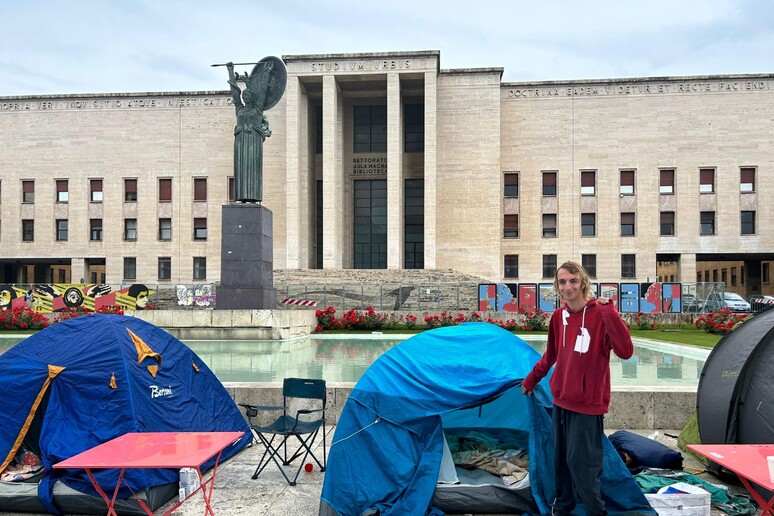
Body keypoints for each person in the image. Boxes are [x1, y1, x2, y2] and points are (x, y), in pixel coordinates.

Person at [521, 261, 633, 516]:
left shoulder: (600, 314)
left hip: (587, 404)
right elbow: (550, 356)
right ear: (556, 286)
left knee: (583, 464)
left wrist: (610, 313)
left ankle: (596, 511)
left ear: (583, 281)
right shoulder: (558, 317)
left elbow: (626, 352)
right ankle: (563, 507)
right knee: (560, 462)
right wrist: (531, 380)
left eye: (573, 280)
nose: (568, 286)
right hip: (560, 400)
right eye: (562, 282)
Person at [227, 61, 272, 203]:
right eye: (244, 94)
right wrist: (230, 71)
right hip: (241, 141)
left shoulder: (258, 109)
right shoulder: (239, 109)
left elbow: (264, 90)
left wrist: (267, 73)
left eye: (248, 95)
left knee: (253, 169)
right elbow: (235, 91)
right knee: (240, 168)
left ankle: (253, 198)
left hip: (254, 141)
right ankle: (241, 197)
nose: (245, 96)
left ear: (253, 97)